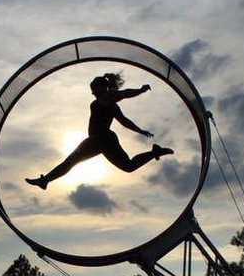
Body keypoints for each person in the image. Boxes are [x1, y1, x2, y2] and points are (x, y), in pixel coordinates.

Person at [25, 73, 173, 190]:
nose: (92, 93)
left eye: (94, 89)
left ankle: (45, 180)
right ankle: (155, 152)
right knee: (128, 166)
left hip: (99, 139)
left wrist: (140, 91)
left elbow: (125, 93)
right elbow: (124, 121)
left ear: (102, 88)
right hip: (103, 141)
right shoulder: (111, 104)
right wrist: (140, 131)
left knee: (71, 162)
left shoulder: (107, 97)